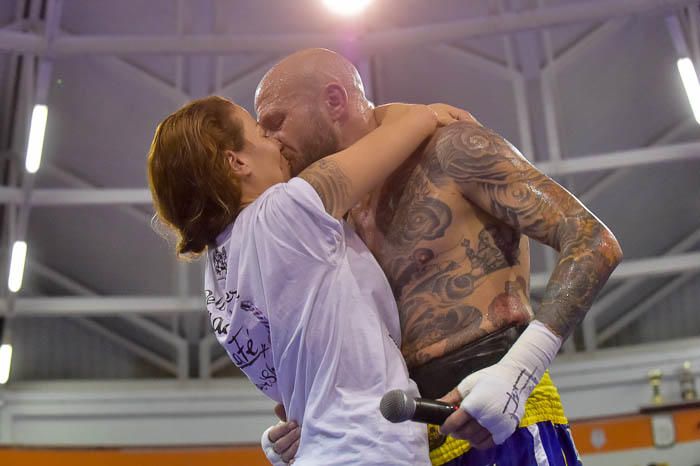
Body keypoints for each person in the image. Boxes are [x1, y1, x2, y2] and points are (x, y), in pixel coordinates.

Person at [258, 48, 623, 466]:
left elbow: (593, 239)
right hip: (401, 439)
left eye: (275, 121)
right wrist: (317, 420)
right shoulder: (332, 214)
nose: (270, 140)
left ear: (334, 101)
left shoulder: (452, 148)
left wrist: (520, 373)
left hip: (497, 415)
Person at [147, 95, 472, 465]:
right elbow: (406, 125)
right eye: (260, 132)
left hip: (326, 451)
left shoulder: (216, 279)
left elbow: (288, 403)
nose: (276, 142)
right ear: (235, 161)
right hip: (368, 449)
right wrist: (427, 113)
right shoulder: (286, 212)